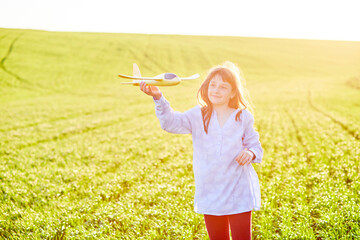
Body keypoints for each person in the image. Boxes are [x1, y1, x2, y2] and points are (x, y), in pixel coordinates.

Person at [139, 61, 263, 240]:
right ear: (206, 88)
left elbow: (255, 146)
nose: (216, 90)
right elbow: (170, 123)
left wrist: (250, 153)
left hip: (238, 191)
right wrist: (158, 97)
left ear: (232, 92)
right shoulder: (198, 115)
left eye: (223, 87)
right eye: (213, 85)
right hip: (210, 192)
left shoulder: (242, 117)